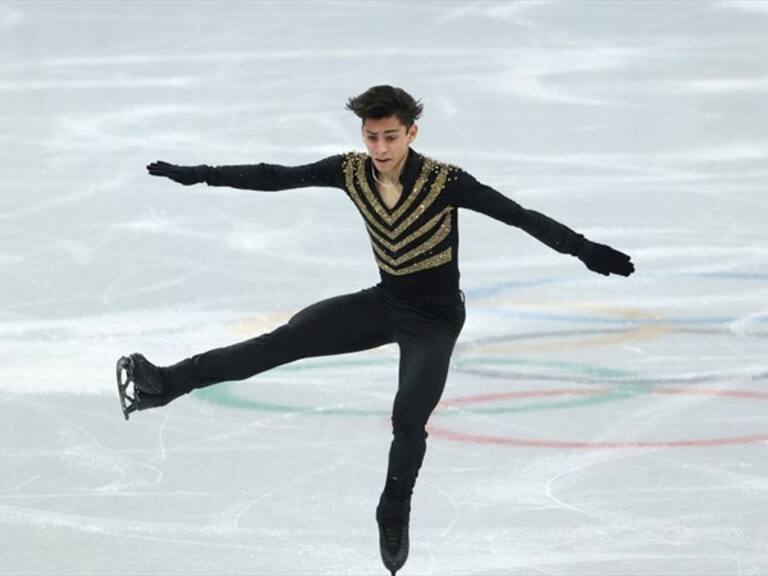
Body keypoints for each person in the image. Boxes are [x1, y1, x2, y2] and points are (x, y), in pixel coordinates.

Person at [117, 85, 634, 575]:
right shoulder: (351, 172)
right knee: (286, 339)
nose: (380, 147)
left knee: (408, 415)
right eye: (371, 136)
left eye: (390, 136)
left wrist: (584, 250)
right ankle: (166, 383)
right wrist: (203, 173)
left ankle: (394, 508)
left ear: (411, 133)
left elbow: (519, 216)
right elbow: (276, 175)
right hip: (385, 302)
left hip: (435, 318)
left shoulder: (444, 181)